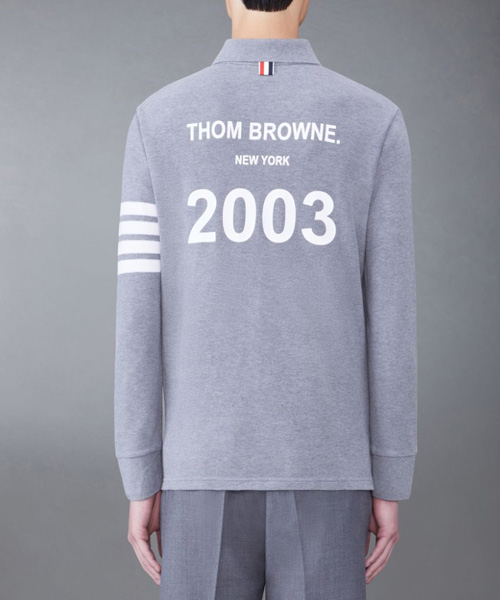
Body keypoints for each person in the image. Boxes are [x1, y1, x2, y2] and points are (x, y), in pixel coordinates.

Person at [113, 0, 418, 598]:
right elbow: (392, 314)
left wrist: (141, 471)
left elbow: (137, 314)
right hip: (330, 466)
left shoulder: (159, 119)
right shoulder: (373, 120)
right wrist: (390, 476)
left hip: (198, 466)